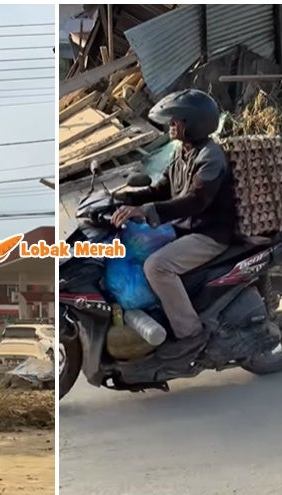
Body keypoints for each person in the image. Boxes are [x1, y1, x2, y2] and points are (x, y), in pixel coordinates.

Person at [110, 89, 237, 358]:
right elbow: (161, 189)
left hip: (208, 233)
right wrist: (121, 198)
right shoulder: (183, 153)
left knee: (156, 266)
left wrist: (145, 211)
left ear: (193, 123)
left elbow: (195, 201)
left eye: (176, 120)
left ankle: (190, 335)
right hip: (183, 228)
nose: (171, 125)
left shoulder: (210, 157)